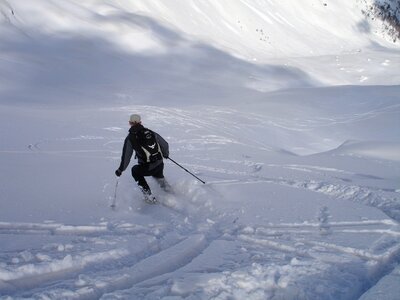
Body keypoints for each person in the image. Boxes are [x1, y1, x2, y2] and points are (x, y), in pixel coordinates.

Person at [115, 114, 170, 203]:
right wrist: (165, 154)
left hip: (148, 167)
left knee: (135, 171)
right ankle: (169, 192)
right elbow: (165, 144)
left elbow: (126, 157)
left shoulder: (130, 138)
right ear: (140, 122)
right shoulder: (150, 132)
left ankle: (149, 197)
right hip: (160, 163)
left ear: (130, 123)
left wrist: (120, 169)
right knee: (159, 176)